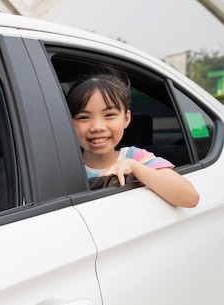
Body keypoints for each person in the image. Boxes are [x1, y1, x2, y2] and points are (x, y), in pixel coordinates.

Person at [66, 72, 199, 208]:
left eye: (109, 115)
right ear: (69, 122)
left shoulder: (135, 157)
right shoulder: (64, 167)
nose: (97, 127)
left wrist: (134, 167)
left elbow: (190, 198)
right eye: (83, 117)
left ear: (126, 119)